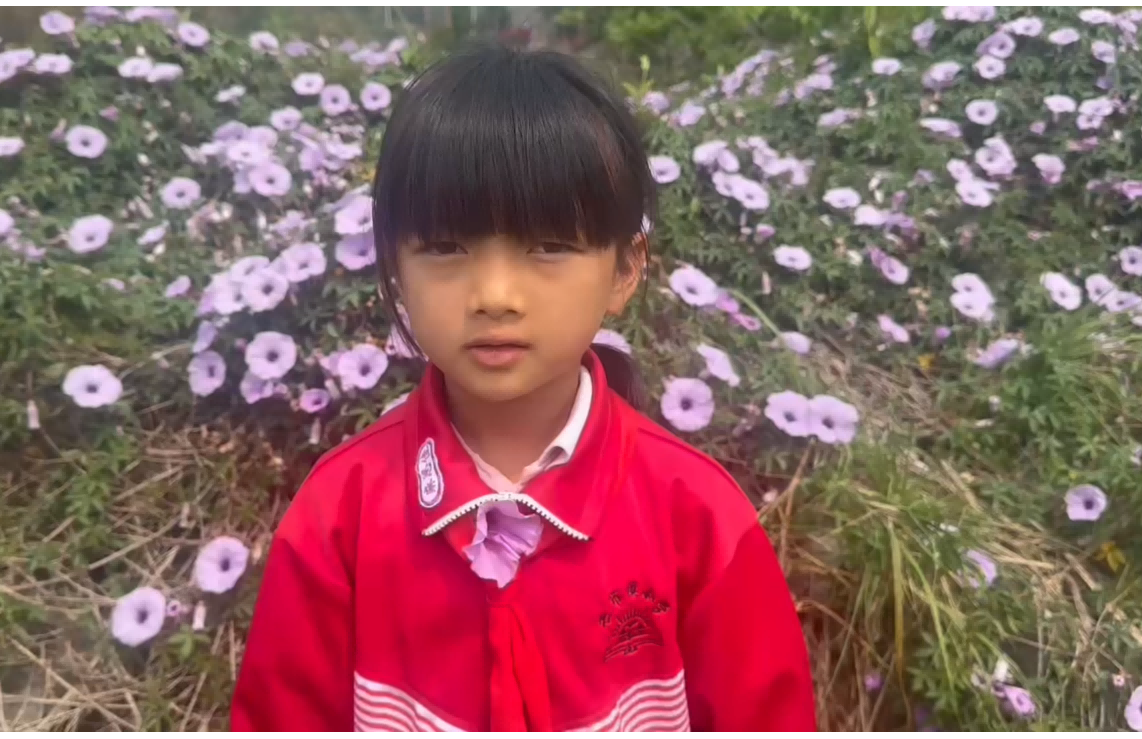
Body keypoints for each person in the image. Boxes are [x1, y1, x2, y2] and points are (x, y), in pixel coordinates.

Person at [231, 44, 815, 732]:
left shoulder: (700, 517)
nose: (495, 295)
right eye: (445, 247)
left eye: (549, 246)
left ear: (626, 269)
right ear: (393, 266)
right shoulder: (338, 517)